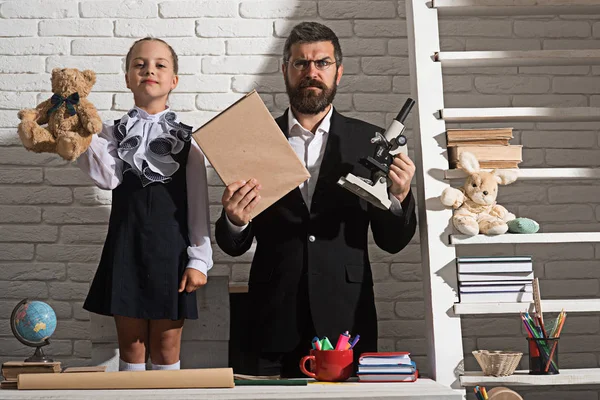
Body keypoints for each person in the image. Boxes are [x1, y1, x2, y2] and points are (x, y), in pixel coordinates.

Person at [216, 22, 417, 377]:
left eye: (322, 63)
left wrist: (398, 198)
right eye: (301, 64)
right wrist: (235, 220)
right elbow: (234, 246)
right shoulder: (254, 140)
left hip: (345, 319)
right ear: (285, 71)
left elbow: (392, 242)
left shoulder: (369, 141)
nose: (311, 72)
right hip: (272, 315)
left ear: (338, 71)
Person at [77, 37, 213, 372]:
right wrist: (77, 134)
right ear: (127, 78)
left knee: (167, 346)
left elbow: (198, 205)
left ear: (174, 81)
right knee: (131, 345)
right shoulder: (111, 133)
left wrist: (199, 260)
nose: (148, 70)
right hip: (126, 246)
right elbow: (106, 179)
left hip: (172, 252)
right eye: (139, 64)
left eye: (159, 65)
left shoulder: (189, 141)